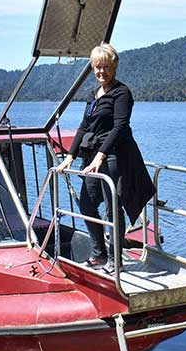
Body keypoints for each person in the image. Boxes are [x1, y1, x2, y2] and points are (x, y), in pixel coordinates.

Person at [56, 43, 155, 270]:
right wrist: (70, 156)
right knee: (87, 204)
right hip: (93, 156)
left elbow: (120, 127)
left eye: (106, 67)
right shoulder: (93, 95)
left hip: (114, 155)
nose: (101, 71)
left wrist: (101, 156)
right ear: (92, 67)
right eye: (97, 67)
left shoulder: (122, 93)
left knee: (113, 208)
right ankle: (99, 253)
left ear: (114, 66)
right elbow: (84, 126)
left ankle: (115, 259)